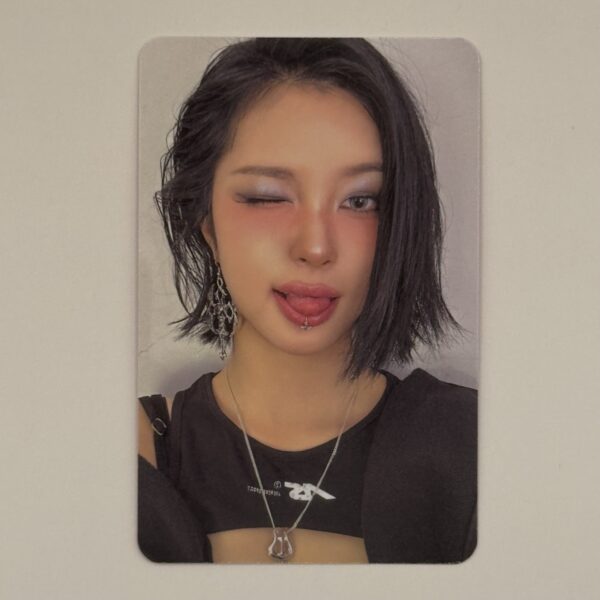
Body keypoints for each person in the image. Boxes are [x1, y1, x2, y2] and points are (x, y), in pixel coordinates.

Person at [138, 37, 477, 564]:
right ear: (206, 224)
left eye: (360, 201)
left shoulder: (476, 446)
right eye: (268, 197)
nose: (316, 247)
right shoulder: (124, 456)